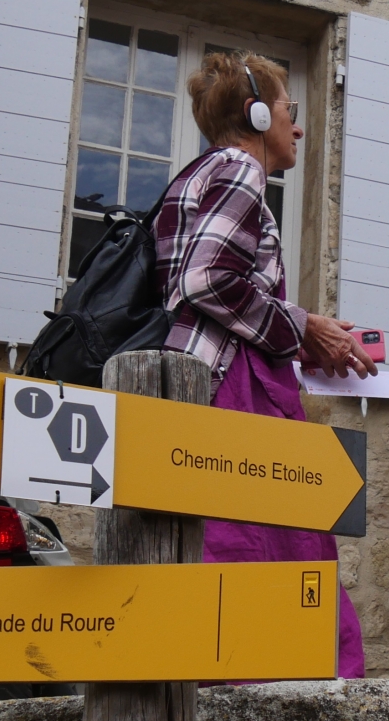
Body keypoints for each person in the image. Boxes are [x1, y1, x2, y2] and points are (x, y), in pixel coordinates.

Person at [155, 51, 374, 676]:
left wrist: (309, 336)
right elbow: (206, 278)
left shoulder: (196, 176)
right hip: (234, 393)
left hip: (212, 384)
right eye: (289, 110)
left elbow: (208, 287)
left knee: (235, 554)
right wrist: (302, 326)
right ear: (256, 114)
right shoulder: (240, 170)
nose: (297, 126)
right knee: (268, 557)